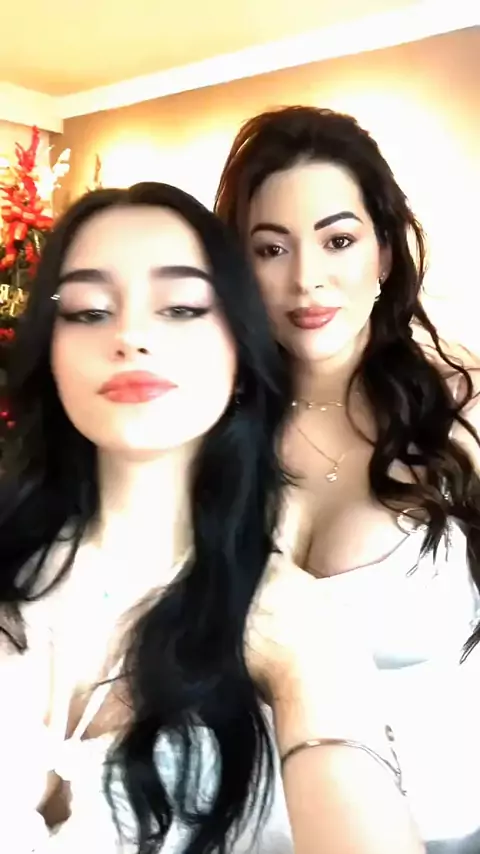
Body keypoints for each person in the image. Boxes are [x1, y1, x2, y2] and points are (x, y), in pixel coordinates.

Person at [0, 181, 422, 854]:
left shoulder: (294, 621)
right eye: (88, 311)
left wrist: (306, 676)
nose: (131, 335)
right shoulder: (19, 571)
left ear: (241, 353)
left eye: (181, 307)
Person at [215, 105, 480, 854]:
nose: (307, 280)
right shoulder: (210, 424)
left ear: (384, 252)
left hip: (439, 832)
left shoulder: (462, 411)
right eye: (271, 249)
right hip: (242, 833)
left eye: (338, 240)